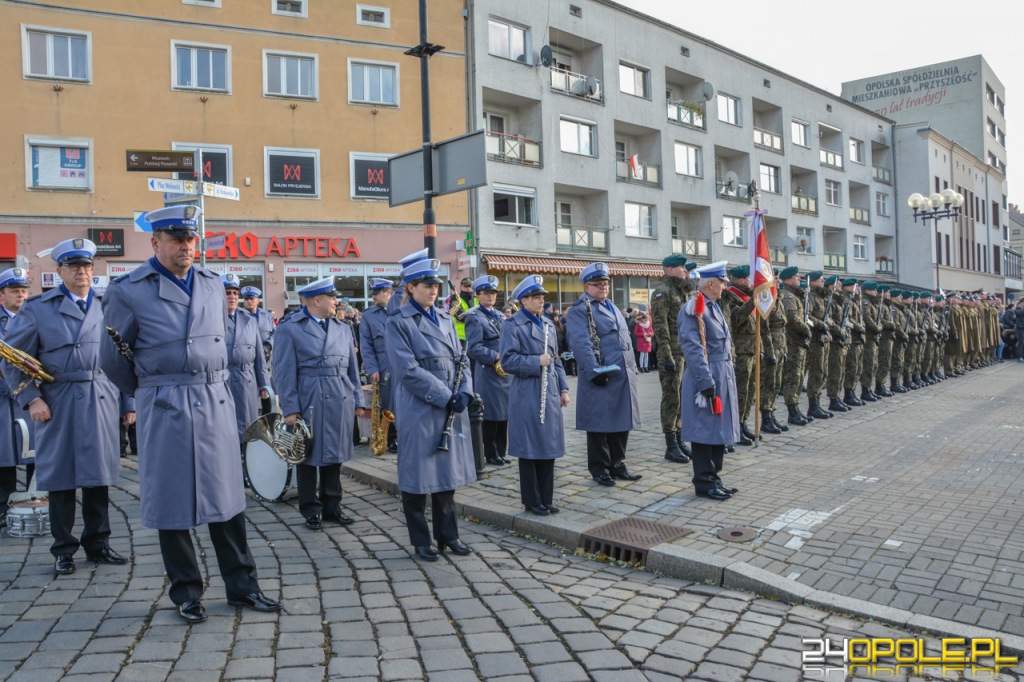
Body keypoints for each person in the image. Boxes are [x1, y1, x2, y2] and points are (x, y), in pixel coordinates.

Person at [101, 205, 281, 624]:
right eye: (176, 239)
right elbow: (111, 359)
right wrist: (151, 390)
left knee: (228, 500)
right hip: (166, 404)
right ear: (156, 242)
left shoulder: (212, 284)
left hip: (215, 400)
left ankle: (243, 586)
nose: (185, 246)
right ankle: (186, 592)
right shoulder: (128, 290)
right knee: (173, 500)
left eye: (191, 239)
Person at [4, 239, 132, 575]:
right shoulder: (38, 309)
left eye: (87, 266)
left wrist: (128, 401)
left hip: (101, 398)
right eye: (74, 267)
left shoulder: (106, 307)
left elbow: (125, 356)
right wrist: (30, 398)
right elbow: (12, 360)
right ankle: (63, 548)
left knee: (98, 476)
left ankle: (98, 542)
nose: (82, 272)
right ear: (59, 271)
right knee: (61, 477)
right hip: (58, 400)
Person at [385, 257, 476, 562]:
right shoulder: (398, 322)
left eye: (436, 285)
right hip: (420, 405)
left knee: (445, 475)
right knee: (417, 475)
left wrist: (465, 392)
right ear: (410, 287)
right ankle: (421, 540)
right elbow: (407, 370)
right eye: (427, 285)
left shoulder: (446, 318)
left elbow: (462, 360)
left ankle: (448, 535)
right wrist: (446, 396)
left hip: (448, 402)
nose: (433, 290)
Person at [273, 277, 368, 530]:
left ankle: (332, 505)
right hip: (309, 395)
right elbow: (283, 371)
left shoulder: (342, 328)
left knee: (334, 454)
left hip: (339, 394)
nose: (337, 302)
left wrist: (358, 399)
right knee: (307, 453)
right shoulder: (290, 328)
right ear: (317, 300)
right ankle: (310, 509)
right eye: (332, 297)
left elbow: (352, 370)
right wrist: (290, 408)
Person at [564, 262, 641, 487]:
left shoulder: (612, 306)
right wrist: (593, 370)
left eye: (605, 284)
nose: (603, 288)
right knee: (599, 423)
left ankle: (618, 464)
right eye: (597, 284)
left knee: (621, 421)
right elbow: (581, 343)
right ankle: (599, 468)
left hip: (622, 373)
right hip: (602, 373)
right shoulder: (580, 309)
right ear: (587, 286)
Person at [499, 275, 570, 515]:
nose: (541, 301)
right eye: (536, 297)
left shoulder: (548, 324)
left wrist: (563, 388)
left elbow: (556, 360)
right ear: (524, 300)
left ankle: (547, 498)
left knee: (547, 445)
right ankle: (532, 500)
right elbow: (507, 361)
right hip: (527, 391)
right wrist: (534, 362)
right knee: (530, 448)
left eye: (542, 297)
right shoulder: (512, 325)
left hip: (549, 391)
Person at [678, 261, 740, 500]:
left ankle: (715, 477)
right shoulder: (694, 308)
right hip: (707, 374)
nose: (725, 286)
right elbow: (693, 348)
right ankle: (704, 482)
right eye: (722, 282)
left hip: (722, 372)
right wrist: (705, 381)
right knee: (704, 431)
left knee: (719, 429)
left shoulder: (712, 306)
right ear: (711, 283)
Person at [464, 275, 511, 467]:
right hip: (489, 372)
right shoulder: (474, 317)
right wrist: (495, 356)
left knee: (505, 415)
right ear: (478, 295)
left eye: (493, 293)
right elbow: (473, 348)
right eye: (487, 293)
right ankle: (490, 453)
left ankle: (501, 451)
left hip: (505, 373)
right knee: (490, 414)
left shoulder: (500, 316)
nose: (491, 296)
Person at [0, 268, 35, 524]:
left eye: (24, 290)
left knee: (39, 454)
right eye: (14, 291)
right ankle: (3, 507)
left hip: (33, 397)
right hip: (3, 401)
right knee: (4, 458)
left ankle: (40, 501)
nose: (21, 295)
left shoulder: (36, 318)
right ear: (2, 296)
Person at [650, 254, 692, 463]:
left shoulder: (681, 291)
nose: (684, 270)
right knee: (671, 398)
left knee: (682, 398)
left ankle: (679, 438)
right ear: (668, 270)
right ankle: (671, 445)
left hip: (683, 351)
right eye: (679, 267)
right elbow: (660, 327)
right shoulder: (662, 292)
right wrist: (666, 355)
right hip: (672, 354)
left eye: (684, 267)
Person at [222, 274, 270, 449]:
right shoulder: (212, 318)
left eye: (235, 293)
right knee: (226, 428)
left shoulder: (248, 319)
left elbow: (259, 355)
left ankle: (246, 467)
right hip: (223, 380)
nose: (232, 297)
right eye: (228, 293)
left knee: (248, 428)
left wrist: (264, 384)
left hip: (247, 380)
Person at [359, 277, 397, 452]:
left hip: (403, 362)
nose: (373, 296)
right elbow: (366, 346)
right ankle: (390, 438)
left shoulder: (401, 309)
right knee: (387, 402)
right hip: (383, 364)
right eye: (372, 293)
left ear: (388, 293)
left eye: (376, 293)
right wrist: (372, 368)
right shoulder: (368, 315)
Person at [779, 267, 812, 426]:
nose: (799, 279)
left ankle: (796, 408)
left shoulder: (796, 296)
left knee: (798, 377)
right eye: (796, 277)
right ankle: (792, 411)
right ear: (788, 279)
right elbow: (792, 319)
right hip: (792, 342)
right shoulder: (788, 296)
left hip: (799, 342)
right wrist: (807, 329)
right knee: (793, 377)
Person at [241, 286, 275, 414]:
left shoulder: (266, 316)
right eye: (246, 299)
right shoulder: (240, 315)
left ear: (258, 300)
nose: (249, 301)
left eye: (252, 299)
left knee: (266, 390)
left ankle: (268, 421)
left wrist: (269, 345)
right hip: (249, 357)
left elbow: (274, 332)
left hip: (265, 360)